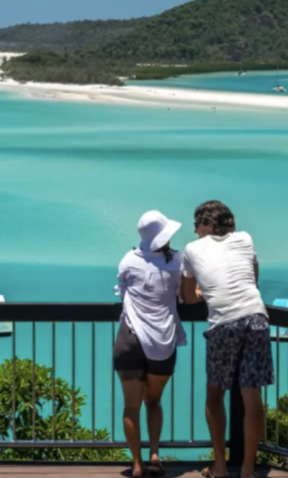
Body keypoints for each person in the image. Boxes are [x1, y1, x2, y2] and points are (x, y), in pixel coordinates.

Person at [180, 200, 272, 478]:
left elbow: (187, 297)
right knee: (252, 396)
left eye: (197, 226)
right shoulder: (245, 238)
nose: (195, 232)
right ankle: (247, 470)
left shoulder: (192, 250)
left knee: (215, 395)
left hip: (223, 324)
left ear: (206, 224)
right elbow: (252, 279)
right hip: (256, 316)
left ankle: (219, 466)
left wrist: (203, 290)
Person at [113, 210, 188, 478]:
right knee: (153, 401)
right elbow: (183, 295)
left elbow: (121, 290)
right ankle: (155, 455)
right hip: (162, 342)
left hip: (130, 339)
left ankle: (136, 464)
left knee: (130, 406)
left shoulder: (129, 259)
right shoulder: (177, 261)